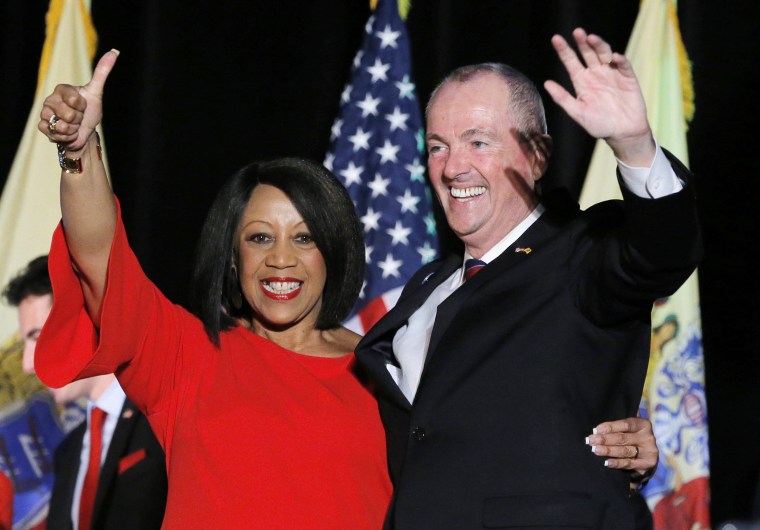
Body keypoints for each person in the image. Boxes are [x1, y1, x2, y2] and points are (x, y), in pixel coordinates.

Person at [32, 47, 660, 528]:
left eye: (304, 239)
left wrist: (612, 446)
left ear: (335, 253)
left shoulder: (382, 376)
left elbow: (495, 436)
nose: (282, 260)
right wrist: (79, 152)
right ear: (230, 257)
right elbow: (99, 255)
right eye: (258, 239)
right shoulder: (185, 355)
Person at [354, 28, 702, 529]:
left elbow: (662, 251)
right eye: (437, 146)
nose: (453, 167)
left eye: (478, 141)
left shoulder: (581, 252)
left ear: (537, 155)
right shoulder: (427, 284)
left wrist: (633, 144)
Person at [3, 256, 167, 530]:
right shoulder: (68, 454)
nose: (27, 364)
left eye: (36, 337)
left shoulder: (165, 414)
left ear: (86, 318)